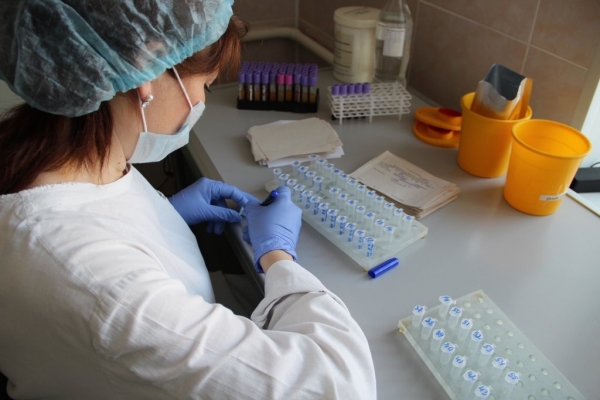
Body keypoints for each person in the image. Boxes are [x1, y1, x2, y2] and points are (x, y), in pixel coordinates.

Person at [0, 1, 376, 399]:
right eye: (206, 85)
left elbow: (93, 220)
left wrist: (162, 217)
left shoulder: (55, 152)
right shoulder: (96, 283)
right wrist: (277, 256)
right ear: (148, 69)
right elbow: (341, 385)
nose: (201, 103)